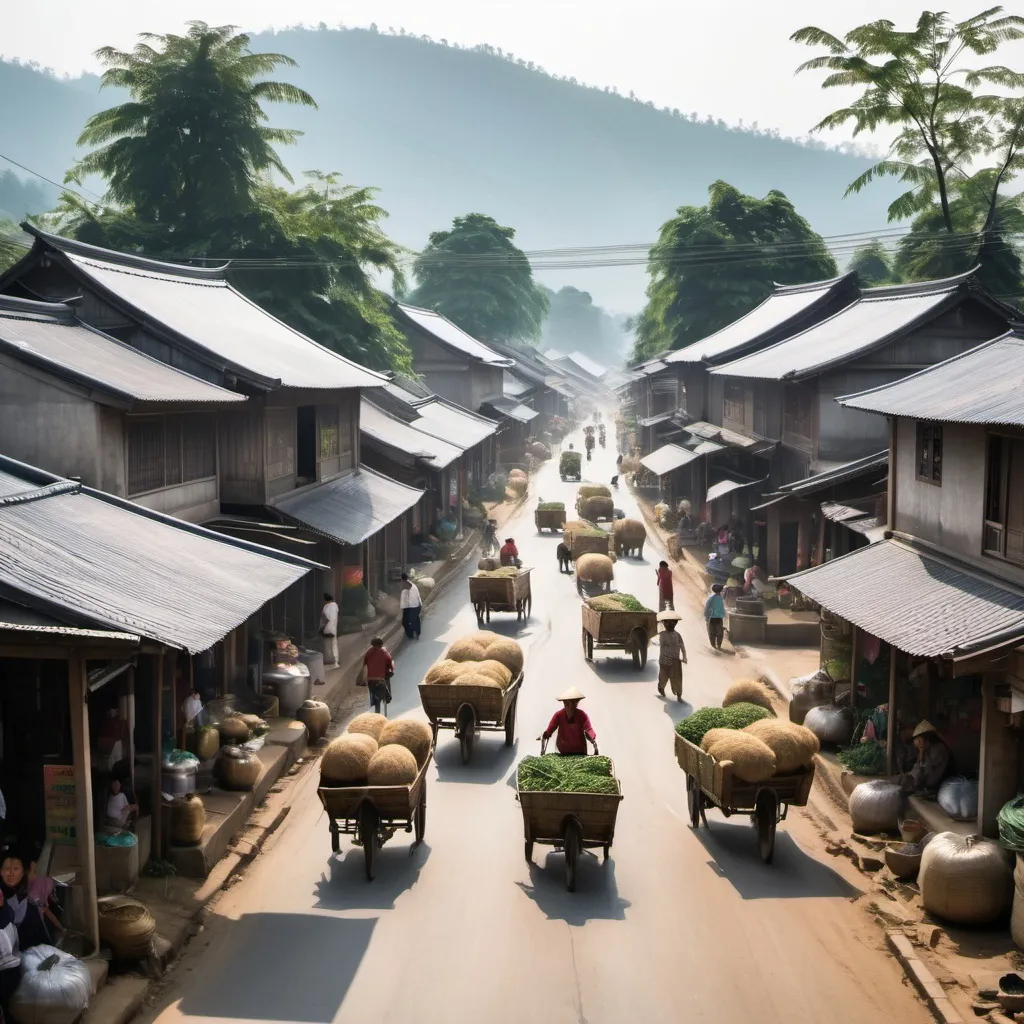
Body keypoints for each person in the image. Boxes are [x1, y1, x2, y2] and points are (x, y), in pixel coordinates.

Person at [541, 688, 598, 756]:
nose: (570, 707)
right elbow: (550, 729)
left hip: (580, 752)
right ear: (564, 703)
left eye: (574, 703)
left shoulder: (582, 715)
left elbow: (588, 729)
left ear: (577, 703)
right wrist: (545, 735)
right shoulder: (558, 715)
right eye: (567, 703)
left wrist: (592, 737)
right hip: (563, 752)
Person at [901, 720, 952, 794]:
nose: (917, 742)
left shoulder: (939, 749)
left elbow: (926, 771)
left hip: (937, 786)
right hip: (925, 783)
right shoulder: (926, 750)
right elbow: (917, 767)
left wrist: (922, 753)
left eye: (919, 739)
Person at [656, 611, 687, 702]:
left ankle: (679, 694)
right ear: (664, 623)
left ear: (675, 623)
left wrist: (684, 657)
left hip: (675, 661)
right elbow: (663, 646)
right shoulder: (662, 635)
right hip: (664, 661)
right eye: (667, 622)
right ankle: (661, 687)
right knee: (663, 677)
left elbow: (682, 646)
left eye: (672, 622)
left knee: (677, 679)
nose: (670, 624)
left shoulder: (678, 635)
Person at [363, 636, 395, 715]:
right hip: (381, 678)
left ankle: (374, 701)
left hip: (370, 679)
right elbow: (390, 664)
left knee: (373, 693)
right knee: (387, 684)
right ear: (381, 644)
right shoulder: (384, 652)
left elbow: (365, 663)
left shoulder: (368, 652)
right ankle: (387, 698)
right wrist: (391, 669)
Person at [704, 583, 726, 650]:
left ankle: (717, 646)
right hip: (713, 617)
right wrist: (706, 616)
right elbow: (707, 607)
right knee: (717, 633)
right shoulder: (713, 598)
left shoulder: (717, 597)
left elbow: (707, 607)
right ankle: (715, 646)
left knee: (715, 633)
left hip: (717, 617)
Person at [320, 592, 339, 666]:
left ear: (326, 600)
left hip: (327, 629)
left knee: (326, 645)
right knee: (334, 644)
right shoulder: (335, 606)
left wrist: (321, 628)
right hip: (334, 629)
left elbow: (325, 619)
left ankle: (328, 659)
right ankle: (336, 660)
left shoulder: (326, 607)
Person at [400, 574, 422, 639]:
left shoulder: (410, 586)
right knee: (407, 622)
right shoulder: (409, 586)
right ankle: (413, 633)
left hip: (413, 607)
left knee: (413, 621)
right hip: (410, 607)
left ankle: (414, 634)